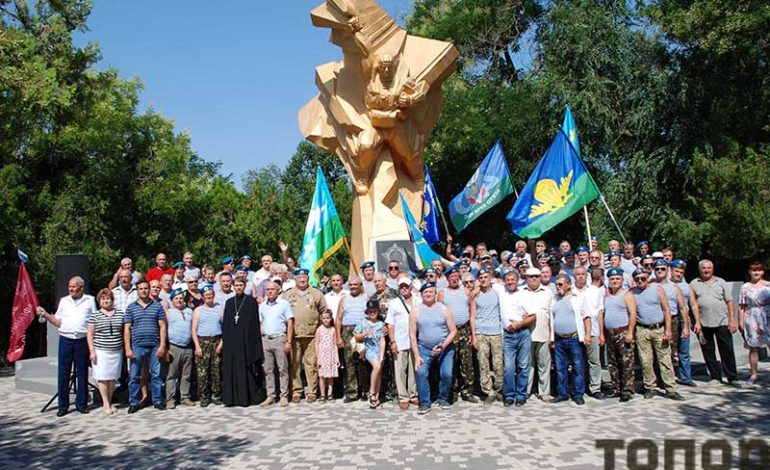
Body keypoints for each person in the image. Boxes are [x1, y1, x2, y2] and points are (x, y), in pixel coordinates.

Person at [38, 276, 96, 416]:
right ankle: (63, 406)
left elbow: (94, 319)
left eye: (74, 286)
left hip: (82, 340)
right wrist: (45, 314)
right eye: (69, 286)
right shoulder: (64, 301)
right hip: (66, 340)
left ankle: (81, 404)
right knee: (63, 373)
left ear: (81, 288)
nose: (71, 289)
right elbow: (58, 321)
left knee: (82, 372)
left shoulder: (90, 300)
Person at [632, 269, 684, 400]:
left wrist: (668, 330)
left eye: (642, 278)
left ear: (647, 277)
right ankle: (650, 387)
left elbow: (667, 310)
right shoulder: (633, 292)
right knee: (646, 360)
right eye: (637, 279)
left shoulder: (658, 289)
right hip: (642, 329)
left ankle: (670, 388)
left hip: (659, 328)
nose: (640, 281)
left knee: (665, 360)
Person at [690, 259, 740, 386]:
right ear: (699, 269)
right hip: (703, 322)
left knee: (727, 350)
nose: (706, 270)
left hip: (722, 321)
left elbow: (729, 302)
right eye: (703, 268)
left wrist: (732, 321)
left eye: (708, 268)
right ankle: (715, 377)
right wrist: (696, 322)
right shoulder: (694, 284)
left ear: (713, 269)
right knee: (708, 350)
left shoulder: (721, 282)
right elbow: (693, 304)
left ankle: (732, 376)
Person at [410, 282, 457, 414]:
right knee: (421, 372)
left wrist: (443, 346)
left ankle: (443, 399)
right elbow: (412, 335)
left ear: (435, 294)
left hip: (445, 347)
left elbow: (453, 331)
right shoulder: (415, 310)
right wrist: (417, 355)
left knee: (446, 374)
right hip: (424, 348)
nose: (428, 294)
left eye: (431, 292)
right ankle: (425, 402)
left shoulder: (444, 309)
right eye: (425, 292)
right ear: (421, 295)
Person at [282, 268, 327, 403]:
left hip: (312, 335)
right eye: (299, 278)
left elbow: (324, 311)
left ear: (308, 279)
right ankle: (296, 391)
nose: (302, 280)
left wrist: (321, 330)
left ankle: (312, 391)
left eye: (305, 278)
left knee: (311, 364)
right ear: (295, 279)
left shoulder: (316, 294)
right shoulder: (288, 295)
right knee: (294, 364)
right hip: (294, 335)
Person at [123, 280, 168, 413]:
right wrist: (127, 348)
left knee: (156, 375)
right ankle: (134, 402)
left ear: (149, 289)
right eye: (141, 289)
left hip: (154, 345)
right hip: (137, 346)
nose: (143, 291)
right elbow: (126, 329)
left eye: (145, 288)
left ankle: (158, 400)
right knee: (134, 376)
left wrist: (162, 346)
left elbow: (162, 327)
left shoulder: (157, 306)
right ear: (137, 290)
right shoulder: (131, 307)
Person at [221, 278, 266, 406]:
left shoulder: (251, 302)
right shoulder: (229, 302)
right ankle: (232, 398)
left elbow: (254, 324)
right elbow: (226, 324)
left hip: (246, 343)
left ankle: (246, 398)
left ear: (245, 286)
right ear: (233, 286)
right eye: (236, 285)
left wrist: (253, 345)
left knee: (247, 371)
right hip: (232, 343)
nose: (239, 287)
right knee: (232, 369)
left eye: (241, 285)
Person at [437, 266, 477, 403]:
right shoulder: (442, 293)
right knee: (450, 362)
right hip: (449, 331)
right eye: (451, 276)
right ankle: (452, 391)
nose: (454, 278)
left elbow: (472, 314)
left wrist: (473, 334)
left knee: (466, 362)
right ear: (447, 278)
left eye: (455, 276)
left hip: (464, 330)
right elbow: (438, 313)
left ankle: (467, 391)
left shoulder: (466, 291)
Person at [550, 274, 591, 405]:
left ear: (568, 284)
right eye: (556, 285)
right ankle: (562, 393)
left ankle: (578, 394)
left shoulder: (578, 298)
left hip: (574, 338)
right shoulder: (554, 299)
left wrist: (588, 335)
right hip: (559, 340)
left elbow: (587, 317)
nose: (558, 287)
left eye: (560, 284)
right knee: (560, 368)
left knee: (577, 367)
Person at [601, 268, 637, 402]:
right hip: (610, 334)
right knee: (612, 362)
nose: (614, 281)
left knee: (626, 362)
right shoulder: (606, 295)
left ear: (622, 280)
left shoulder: (627, 294)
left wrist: (630, 333)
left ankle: (627, 390)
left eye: (617, 279)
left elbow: (633, 314)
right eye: (612, 279)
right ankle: (616, 388)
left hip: (623, 332)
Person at [499, 270, 535, 407]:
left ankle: (521, 395)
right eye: (507, 280)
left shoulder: (524, 295)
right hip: (508, 336)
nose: (510, 282)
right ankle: (509, 395)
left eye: (513, 279)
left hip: (523, 333)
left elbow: (533, 316)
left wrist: (519, 323)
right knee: (508, 367)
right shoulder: (500, 292)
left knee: (523, 366)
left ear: (518, 280)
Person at [653, 260, 690, 386]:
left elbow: (683, 308)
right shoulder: (650, 285)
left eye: (662, 269)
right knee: (657, 352)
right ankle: (659, 379)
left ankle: (671, 378)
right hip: (657, 321)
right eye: (657, 269)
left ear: (667, 270)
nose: (659, 271)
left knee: (671, 350)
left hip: (673, 320)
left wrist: (685, 326)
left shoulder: (674, 287)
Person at [86, 288, 123, 415]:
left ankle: (110, 400)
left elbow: (124, 331)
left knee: (112, 377)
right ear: (99, 301)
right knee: (102, 377)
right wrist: (92, 351)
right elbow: (90, 334)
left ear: (112, 300)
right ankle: (105, 403)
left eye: (108, 298)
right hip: (101, 351)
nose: (106, 301)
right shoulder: (95, 315)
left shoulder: (120, 314)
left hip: (116, 350)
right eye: (103, 299)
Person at [520, 267, 554, 402]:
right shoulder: (521, 292)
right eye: (531, 276)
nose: (534, 279)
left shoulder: (548, 292)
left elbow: (551, 315)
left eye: (536, 276)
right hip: (526, 334)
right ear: (526, 278)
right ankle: (526, 391)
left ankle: (544, 392)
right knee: (527, 365)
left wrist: (552, 336)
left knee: (544, 364)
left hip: (543, 333)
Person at [259, 282, 294, 407]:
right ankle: (271, 395)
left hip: (280, 338)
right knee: (268, 369)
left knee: (282, 368)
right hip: (266, 339)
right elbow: (260, 323)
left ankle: (284, 395)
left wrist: (289, 341)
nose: (269, 291)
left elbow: (290, 323)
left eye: (272, 289)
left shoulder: (284, 304)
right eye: (267, 289)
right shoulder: (262, 306)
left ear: (278, 290)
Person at [573, 266, 605, 399]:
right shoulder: (570, 291)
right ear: (574, 276)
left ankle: (595, 388)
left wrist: (602, 334)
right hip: (575, 332)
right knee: (577, 362)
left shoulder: (595, 291)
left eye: (583, 274)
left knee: (594, 361)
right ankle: (579, 387)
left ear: (587, 276)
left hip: (593, 331)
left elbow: (600, 313)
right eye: (578, 274)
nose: (581, 276)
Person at [336, 276, 368, 401]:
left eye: (356, 284)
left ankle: (365, 390)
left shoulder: (366, 298)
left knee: (363, 362)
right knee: (349, 363)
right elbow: (338, 319)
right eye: (351, 285)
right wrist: (338, 336)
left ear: (361, 285)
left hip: (362, 331)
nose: (353, 287)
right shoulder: (344, 300)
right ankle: (352, 392)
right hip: (347, 332)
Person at [475, 268, 504, 403]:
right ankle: (488, 391)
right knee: (483, 363)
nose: (483, 280)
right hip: (481, 332)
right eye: (481, 277)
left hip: (496, 332)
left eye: (486, 277)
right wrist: (474, 335)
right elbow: (472, 315)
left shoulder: (498, 292)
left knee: (498, 363)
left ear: (490, 278)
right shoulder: (475, 294)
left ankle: (498, 389)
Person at [738, 261, 770, 385]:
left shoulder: (768, 285)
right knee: (753, 347)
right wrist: (740, 321)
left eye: (759, 270)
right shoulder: (745, 287)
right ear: (749, 272)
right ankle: (753, 374)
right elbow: (741, 306)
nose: (756, 272)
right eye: (754, 270)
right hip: (752, 317)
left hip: (767, 316)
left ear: (763, 272)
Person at [192, 285, 223, 407]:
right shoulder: (198, 310)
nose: (208, 297)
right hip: (202, 342)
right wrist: (197, 347)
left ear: (214, 295)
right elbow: (193, 330)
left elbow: (225, 327)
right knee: (202, 372)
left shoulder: (220, 308)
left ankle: (216, 395)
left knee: (216, 370)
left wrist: (221, 344)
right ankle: (204, 396)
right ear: (202, 297)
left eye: (210, 295)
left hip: (216, 341)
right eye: (206, 296)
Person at [670, 259, 700, 386]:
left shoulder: (687, 287)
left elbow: (693, 304)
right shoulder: (666, 285)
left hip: (684, 320)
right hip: (671, 319)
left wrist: (697, 321)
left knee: (684, 350)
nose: (678, 274)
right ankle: (669, 378)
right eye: (676, 271)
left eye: (681, 272)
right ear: (671, 271)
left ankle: (686, 377)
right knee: (669, 351)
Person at [164, 288, 195, 409]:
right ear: (172, 300)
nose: (179, 300)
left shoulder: (189, 311)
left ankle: (185, 397)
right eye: (176, 298)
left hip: (188, 346)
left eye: (181, 298)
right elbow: (163, 330)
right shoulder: (168, 312)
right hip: (174, 346)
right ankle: (170, 399)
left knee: (186, 374)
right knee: (172, 374)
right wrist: (166, 347)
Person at [354, 300, 387, 408]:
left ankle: (376, 398)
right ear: (367, 312)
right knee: (376, 367)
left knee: (379, 371)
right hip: (369, 348)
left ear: (378, 312)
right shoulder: (363, 322)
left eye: (374, 311)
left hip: (378, 349)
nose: (372, 313)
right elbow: (356, 335)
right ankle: (371, 392)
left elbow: (382, 340)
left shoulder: (381, 324)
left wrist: (382, 355)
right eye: (370, 311)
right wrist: (365, 333)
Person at [315, 309, 339, 402]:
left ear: (331, 318)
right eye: (324, 318)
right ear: (321, 319)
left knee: (330, 376)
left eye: (328, 318)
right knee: (322, 376)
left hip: (331, 354)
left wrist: (336, 358)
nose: (326, 320)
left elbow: (335, 344)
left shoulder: (333, 330)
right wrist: (318, 357)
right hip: (322, 355)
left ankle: (330, 394)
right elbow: (316, 344)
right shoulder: (319, 330)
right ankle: (322, 394)